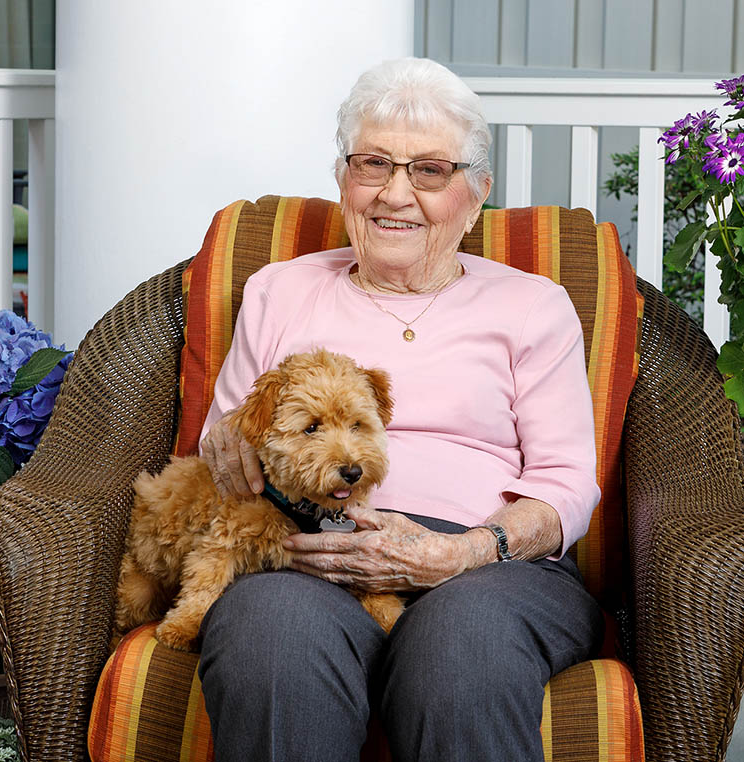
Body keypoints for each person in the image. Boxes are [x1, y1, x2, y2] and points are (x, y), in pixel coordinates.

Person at [196, 57, 604, 762]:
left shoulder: (531, 305)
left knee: (460, 658)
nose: (394, 193)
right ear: (342, 180)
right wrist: (227, 446)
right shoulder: (278, 290)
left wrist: (466, 551)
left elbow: (566, 485)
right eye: (373, 163)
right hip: (313, 554)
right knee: (270, 639)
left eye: (429, 171)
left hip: (492, 564)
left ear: (475, 195)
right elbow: (226, 439)